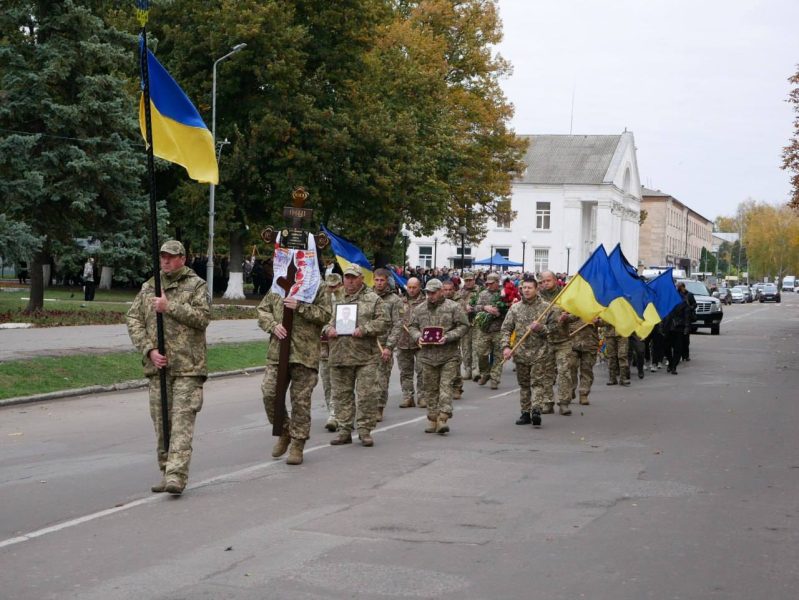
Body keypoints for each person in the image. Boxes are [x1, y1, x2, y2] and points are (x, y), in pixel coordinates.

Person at [126, 240, 210, 496]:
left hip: (188, 367)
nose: (165, 261)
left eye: (171, 257)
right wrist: (149, 349)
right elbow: (133, 318)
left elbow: (203, 318)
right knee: (163, 425)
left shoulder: (196, 285)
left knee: (182, 424)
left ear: (182, 259)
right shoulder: (151, 286)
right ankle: (166, 470)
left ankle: (176, 475)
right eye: (162, 256)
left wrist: (169, 307)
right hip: (158, 369)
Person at [257, 264, 331, 466]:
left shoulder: (318, 286)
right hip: (278, 352)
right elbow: (263, 310)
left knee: (300, 401)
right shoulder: (278, 284)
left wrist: (300, 306)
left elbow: (325, 315)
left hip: (304, 353)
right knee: (269, 392)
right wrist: (273, 325)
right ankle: (284, 430)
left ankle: (298, 444)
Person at [325, 264, 390, 447]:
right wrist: (328, 328)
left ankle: (364, 431)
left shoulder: (373, 299)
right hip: (339, 354)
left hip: (365, 357)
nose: (350, 281)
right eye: (347, 277)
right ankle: (344, 430)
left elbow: (384, 322)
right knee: (341, 395)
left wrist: (365, 329)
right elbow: (323, 319)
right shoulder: (335, 298)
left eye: (354, 277)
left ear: (361, 278)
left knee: (367, 395)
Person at [408, 279, 469, 434]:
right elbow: (412, 326)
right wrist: (417, 337)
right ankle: (432, 419)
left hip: (449, 355)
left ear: (441, 291)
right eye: (428, 292)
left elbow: (463, 326)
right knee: (430, 389)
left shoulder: (453, 307)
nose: (430, 296)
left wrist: (448, 336)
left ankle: (443, 417)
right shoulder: (420, 309)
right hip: (427, 356)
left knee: (445, 387)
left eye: (433, 292)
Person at [500, 278, 551, 426]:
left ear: (536, 289)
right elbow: (506, 329)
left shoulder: (546, 308)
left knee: (537, 382)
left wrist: (541, 328)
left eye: (530, 288)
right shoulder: (515, 308)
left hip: (540, 352)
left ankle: (536, 409)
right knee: (524, 384)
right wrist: (506, 347)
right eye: (524, 288)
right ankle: (525, 413)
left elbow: (554, 332)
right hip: (520, 352)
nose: (526, 290)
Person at [386, 276, 425, 408]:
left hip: (420, 343)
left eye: (414, 287)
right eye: (409, 287)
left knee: (422, 371)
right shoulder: (400, 302)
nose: (412, 290)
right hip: (402, 341)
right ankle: (408, 396)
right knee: (405, 372)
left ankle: (422, 396)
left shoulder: (425, 302)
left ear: (419, 287)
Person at [374, 268, 403, 422]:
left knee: (382, 379)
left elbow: (398, 325)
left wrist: (389, 347)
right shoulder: (368, 297)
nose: (379, 283)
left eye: (382, 280)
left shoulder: (394, 300)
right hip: (366, 345)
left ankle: (379, 407)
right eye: (377, 280)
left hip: (384, 345)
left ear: (387, 281)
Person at [474, 273, 508, 389]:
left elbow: (511, 308)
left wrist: (501, 312)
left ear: (497, 282)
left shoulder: (504, 293)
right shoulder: (483, 293)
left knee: (498, 356)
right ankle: (485, 373)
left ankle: (495, 379)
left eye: (491, 283)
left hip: (499, 329)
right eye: (487, 283)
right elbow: (476, 307)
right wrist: (485, 308)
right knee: (481, 353)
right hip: (485, 329)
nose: (489, 286)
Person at [319, 273, 344, 431]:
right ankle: (332, 413)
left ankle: (337, 415)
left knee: (339, 383)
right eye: (329, 286)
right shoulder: (321, 301)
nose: (332, 289)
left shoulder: (346, 301)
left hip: (341, 347)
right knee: (327, 383)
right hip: (324, 348)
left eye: (335, 286)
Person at [455, 271, 482, 382]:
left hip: (476, 322)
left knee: (476, 346)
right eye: (466, 280)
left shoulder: (480, 290)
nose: (469, 282)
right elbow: (455, 305)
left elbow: (485, 304)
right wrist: (464, 306)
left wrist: (475, 308)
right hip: (464, 323)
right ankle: (467, 369)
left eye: (470, 280)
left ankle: (476, 370)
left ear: (474, 280)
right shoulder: (460, 292)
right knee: (465, 347)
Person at [440, 279, 463, 399]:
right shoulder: (438, 302)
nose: (447, 292)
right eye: (445, 290)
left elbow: (462, 322)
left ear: (454, 290)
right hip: (439, 336)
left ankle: (457, 386)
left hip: (453, 336)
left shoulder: (458, 302)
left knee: (455, 362)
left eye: (450, 290)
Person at [570, 318, 600, 405]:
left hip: (590, 342)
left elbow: (606, 320)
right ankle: (570, 390)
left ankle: (584, 394)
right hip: (572, 341)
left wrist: (598, 321)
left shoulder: (595, 306)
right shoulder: (570, 305)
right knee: (570, 366)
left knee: (587, 370)